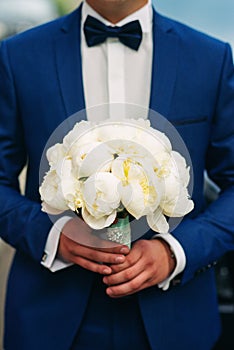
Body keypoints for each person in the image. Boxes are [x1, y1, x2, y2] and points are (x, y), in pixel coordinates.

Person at [0, 0, 234, 349]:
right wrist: (53, 236)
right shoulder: (17, 56)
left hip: (174, 318)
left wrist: (176, 252)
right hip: (50, 319)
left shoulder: (210, 57)